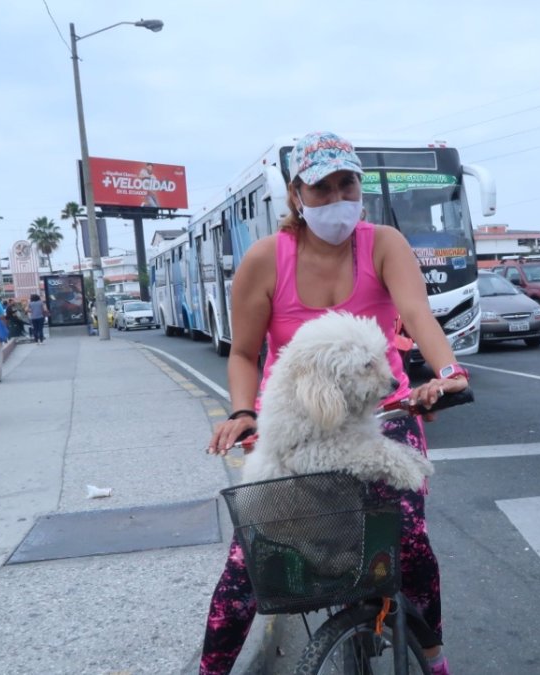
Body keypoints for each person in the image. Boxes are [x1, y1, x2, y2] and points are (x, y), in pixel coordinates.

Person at [201, 132, 468, 675]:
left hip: (382, 408)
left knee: (408, 540)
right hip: (298, 420)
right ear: (297, 195)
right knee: (249, 563)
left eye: (347, 184)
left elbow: (419, 316)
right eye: (321, 187)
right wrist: (243, 411)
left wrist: (448, 375)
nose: (336, 198)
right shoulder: (265, 259)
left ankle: (433, 655)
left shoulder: (384, 243)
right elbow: (244, 353)